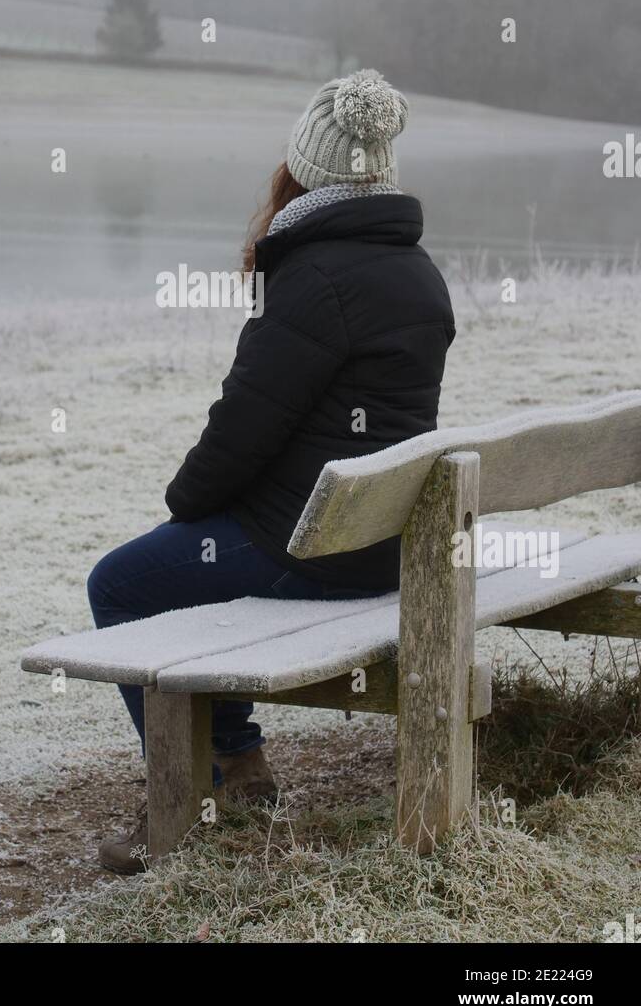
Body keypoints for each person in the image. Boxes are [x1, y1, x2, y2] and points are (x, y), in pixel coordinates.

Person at [88, 69, 456, 873]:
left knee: (119, 583)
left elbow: (241, 431)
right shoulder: (418, 273)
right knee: (200, 558)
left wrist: (183, 505)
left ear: (306, 170)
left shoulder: (314, 281)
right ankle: (241, 765)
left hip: (313, 549)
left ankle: (200, 783)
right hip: (384, 542)